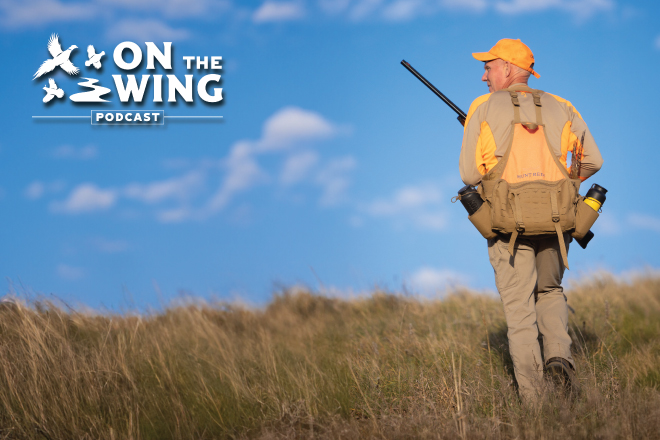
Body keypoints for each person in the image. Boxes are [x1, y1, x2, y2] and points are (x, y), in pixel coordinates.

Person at [458, 39, 603, 401]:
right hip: (558, 220)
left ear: (507, 68)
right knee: (551, 290)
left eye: (488, 67)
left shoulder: (483, 106)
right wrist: (562, 184)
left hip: (508, 226)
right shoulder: (563, 106)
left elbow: (468, 173)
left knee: (520, 309)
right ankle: (559, 357)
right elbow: (592, 162)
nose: (483, 76)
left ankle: (536, 406)